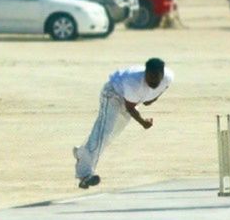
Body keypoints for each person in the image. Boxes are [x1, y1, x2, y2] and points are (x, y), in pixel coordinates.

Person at [73, 58, 174, 189]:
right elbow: (130, 107)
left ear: (162, 74)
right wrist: (143, 122)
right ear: (145, 73)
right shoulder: (134, 82)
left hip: (130, 99)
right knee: (103, 133)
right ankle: (84, 174)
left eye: (156, 79)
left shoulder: (168, 77)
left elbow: (154, 95)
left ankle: (82, 153)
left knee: (109, 137)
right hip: (113, 94)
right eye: (150, 79)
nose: (153, 82)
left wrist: (151, 97)